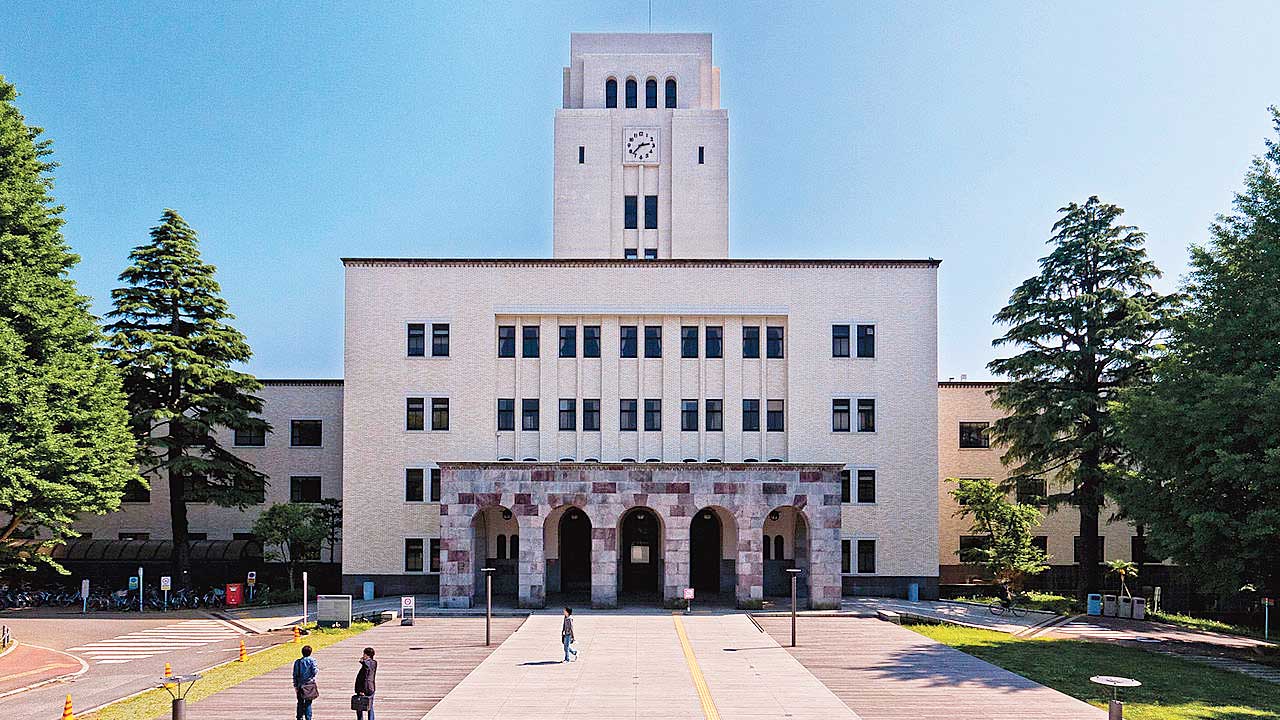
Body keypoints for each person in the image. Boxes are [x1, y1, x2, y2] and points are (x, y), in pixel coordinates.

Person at [292, 645, 318, 720]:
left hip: (300, 684)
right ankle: (308, 717)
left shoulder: (298, 662)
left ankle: (299, 717)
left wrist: (295, 685)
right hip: (309, 684)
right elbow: (315, 671)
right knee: (308, 702)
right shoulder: (312, 660)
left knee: (300, 702)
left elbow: (295, 674)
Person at [354, 646, 377, 720]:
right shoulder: (374, 663)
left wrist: (362, 690)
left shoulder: (366, 665)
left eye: (364, 654)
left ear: (367, 655)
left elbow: (364, 678)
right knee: (370, 705)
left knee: (359, 706)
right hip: (371, 687)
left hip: (365, 688)